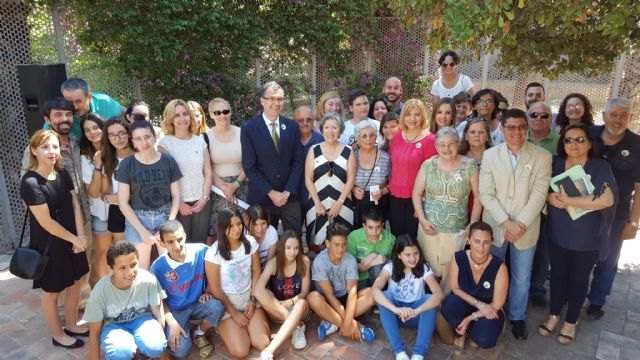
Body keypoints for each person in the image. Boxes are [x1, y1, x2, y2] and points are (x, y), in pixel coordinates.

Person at [539, 124, 616, 345]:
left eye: (580, 139)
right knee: (558, 276)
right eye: (568, 140)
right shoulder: (556, 164)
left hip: (588, 237)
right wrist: (548, 197)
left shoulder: (600, 167)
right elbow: (542, 187)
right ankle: (554, 314)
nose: (574, 144)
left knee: (579, 280)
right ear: (562, 144)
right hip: (558, 233)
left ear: (590, 143)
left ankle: (571, 321)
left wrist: (568, 200)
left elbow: (607, 200)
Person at [479, 109, 552, 340]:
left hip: (526, 229)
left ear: (527, 128)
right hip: (496, 227)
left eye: (521, 127)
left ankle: (517, 316)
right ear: (502, 128)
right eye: (511, 127)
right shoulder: (490, 156)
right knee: (492, 272)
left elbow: (539, 195)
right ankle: (492, 310)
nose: (516, 132)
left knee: (522, 277)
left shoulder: (542, 156)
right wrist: (506, 223)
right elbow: (486, 194)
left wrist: (518, 224)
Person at [21, 130, 90, 349]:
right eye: (45, 147)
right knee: (51, 292)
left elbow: (75, 204)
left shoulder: (62, 173)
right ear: (34, 150)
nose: (52, 151)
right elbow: (46, 222)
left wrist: (80, 236)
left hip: (72, 239)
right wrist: (75, 240)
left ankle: (72, 324)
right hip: (50, 245)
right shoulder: (30, 182)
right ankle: (58, 335)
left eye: (54, 146)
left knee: (76, 282)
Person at [587, 97, 640, 320]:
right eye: (613, 114)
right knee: (581, 257)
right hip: (584, 211)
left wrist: (633, 223)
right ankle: (574, 295)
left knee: (607, 260)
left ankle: (597, 301)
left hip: (617, 215)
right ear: (604, 116)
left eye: (623, 116)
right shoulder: (589, 135)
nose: (618, 120)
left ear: (629, 118)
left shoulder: (637, 144)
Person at [413, 127, 482, 281]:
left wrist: (473, 223)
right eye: (441, 144)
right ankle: (430, 300)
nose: (446, 148)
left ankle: (447, 303)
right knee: (428, 267)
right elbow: (416, 194)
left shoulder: (469, 165)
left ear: (458, 144)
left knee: (452, 270)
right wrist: (423, 221)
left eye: (451, 144)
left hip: (456, 228)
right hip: (429, 227)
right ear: (436, 146)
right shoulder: (428, 165)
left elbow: (478, 196)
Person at [151, 220, 225, 358]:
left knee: (217, 306)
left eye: (179, 239)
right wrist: (171, 323)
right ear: (162, 243)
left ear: (185, 236)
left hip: (198, 303)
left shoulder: (202, 251)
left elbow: (214, 272)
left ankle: (199, 332)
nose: (177, 246)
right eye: (170, 242)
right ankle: (175, 333)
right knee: (181, 351)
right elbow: (159, 302)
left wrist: (208, 291)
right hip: (175, 311)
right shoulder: (158, 267)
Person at [83, 241, 167, 360]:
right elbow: (94, 333)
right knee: (120, 354)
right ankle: (125, 351)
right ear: (111, 268)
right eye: (122, 268)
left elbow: (159, 313)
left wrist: (160, 346)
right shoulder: (100, 292)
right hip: (114, 325)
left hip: (142, 319)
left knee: (155, 346)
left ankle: (143, 350)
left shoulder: (149, 280)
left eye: (133, 264)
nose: (130, 272)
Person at [204, 208, 270, 359]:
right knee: (240, 351)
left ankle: (247, 325)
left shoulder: (250, 242)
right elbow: (215, 289)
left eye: (239, 224)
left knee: (262, 343)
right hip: (227, 301)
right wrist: (233, 313)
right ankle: (223, 327)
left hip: (248, 296)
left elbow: (256, 272)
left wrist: (252, 301)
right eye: (230, 226)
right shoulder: (213, 253)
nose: (236, 229)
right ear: (222, 228)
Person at [116, 120, 182, 269]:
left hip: (164, 216)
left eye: (147, 136)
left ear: (154, 136)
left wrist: (168, 225)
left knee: (169, 267)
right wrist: (142, 231)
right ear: (132, 141)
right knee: (140, 269)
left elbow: (176, 196)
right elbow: (123, 202)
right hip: (138, 218)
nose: (144, 142)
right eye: (138, 138)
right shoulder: (127, 164)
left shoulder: (168, 161)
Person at [241, 81, 305, 234]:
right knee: (263, 243)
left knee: (293, 241)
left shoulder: (291, 126)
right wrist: (271, 193)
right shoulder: (249, 128)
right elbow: (250, 167)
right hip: (262, 197)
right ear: (262, 100)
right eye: (272, 99)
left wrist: (287, 192)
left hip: (289, 198)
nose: (276, 103)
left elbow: (298, 161)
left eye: (280, 99)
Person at [372, 234, 443, 360]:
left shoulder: (424, 267)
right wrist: (395, 309)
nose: (413, 258)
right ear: (399, 255)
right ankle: (399, 352)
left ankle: (419, 353)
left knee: (429, 299)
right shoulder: (390, 267)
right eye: (408, 255)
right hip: (396, 315)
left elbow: (439, 294)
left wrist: (417, 311)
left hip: (415, 314)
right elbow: (375, 289)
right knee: (385, 295)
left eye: (416, 253)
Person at [440, 222, 508, 351]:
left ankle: (470, 329)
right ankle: (461, 333)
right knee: (449, 305)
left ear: (491, 242)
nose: (481, 248)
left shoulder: (500, 267)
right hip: (465, 303)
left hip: (488, 310)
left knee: (484, 339)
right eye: (477, 241)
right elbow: (455, 288)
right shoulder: (458, 258)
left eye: (486, 242)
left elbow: (497, 304)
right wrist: (478, 304)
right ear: (468, 240)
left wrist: (471, 317)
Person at [307, 222, 376, 343]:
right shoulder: (319, 262)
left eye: (344, 244)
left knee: (372, 294)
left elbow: (352, 293)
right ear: (327, 244)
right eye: (336, 245)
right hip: (328, 301)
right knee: (313, 298)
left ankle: (332, 323)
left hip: (347, 299)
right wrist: (352, 324)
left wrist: (348, 320)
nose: (341, 249)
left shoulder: (350, 260)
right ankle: (355, 328)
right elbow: (329, 295)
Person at [158, 99, 212, 244]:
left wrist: (204, 198)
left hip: (201, 202)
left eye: (185, 114)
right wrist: (180, 203)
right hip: (178, 203)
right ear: (170, 119)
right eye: (177, 115)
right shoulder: (165, 144)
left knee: (199, 244)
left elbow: (207, 172)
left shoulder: (200, 141)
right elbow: (165, 179)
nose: (182, 119)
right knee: (181, 244)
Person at [255, 231, 312, 359]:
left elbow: (304, 292)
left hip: (298, 307)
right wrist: (281, 308)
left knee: (302, 302)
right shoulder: (273, 263)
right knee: (264, 292)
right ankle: (296, 326)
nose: (293, 252)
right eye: (288, 248)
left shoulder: (304, 261)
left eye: (296, 248)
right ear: (282, 248)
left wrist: (290, 302)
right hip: (278, 309)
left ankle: (269, 351)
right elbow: (258, 290)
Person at [525, 102, 560, 307]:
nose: (539, 118)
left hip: (549, 203)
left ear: (551, 119)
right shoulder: (519, 136)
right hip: (521, 201)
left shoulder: (559, 142)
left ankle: (537, 289)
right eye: (534, 114)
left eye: (544, 115)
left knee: (542, 249)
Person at [305, 112, 356, 250]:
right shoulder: (313, 150)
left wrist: (339, 203)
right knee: (317, 244)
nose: (330, 131)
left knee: (342, 243)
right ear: (322, 130)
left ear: (340, 131)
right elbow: (308, 179)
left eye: (334, 127)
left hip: (343, 204)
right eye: (327, 127)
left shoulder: (348, 151)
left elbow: (351, 180)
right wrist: (317, 204)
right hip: (317, 204)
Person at [388, 99, 437, 238]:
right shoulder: (397, 135)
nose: (412, 119)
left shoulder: (429, 140)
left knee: (412, 236)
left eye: (417, 114)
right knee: (396, 234)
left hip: (416, 198)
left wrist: (423, 200)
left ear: (423, 116)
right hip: (395, 195)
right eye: (409, 114)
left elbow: (432, 173)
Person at [206, 97, 248, 244]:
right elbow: (206, 166)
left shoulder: (243, 133)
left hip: (241, 186)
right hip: (217, 189)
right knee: (219, 230)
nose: (222, 115)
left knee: (241, 229)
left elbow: (249, 162)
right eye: (217, 112)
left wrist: (235, 185)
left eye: (225, 111)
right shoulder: (205, 137)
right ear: (211, 115)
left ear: (231, 112)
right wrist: (223, 187)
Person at [79, 113, 111, 282]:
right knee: (102, 252)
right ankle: (106, 292)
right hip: (100, 212)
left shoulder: (116, 148)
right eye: (87, 130)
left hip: (122, 210)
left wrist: (102, 179)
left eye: (96, 127)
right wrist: (98, 166)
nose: (92, 132)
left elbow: (108, 188)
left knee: (124, 250)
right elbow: (94, 192)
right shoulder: (85, 158)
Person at [50, 77, 123, 139]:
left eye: (78, 101)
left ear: (89, 97)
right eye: (69, 102)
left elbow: (127, 115)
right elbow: (45, 135)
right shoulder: (58, 112)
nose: (75, 106)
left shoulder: (105, 102)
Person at [352, 120, 391, 225]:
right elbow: (344, 179)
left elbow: (393, 182)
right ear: (357, 138)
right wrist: (353, 189)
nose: (368, 139)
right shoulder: (352, 157)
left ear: (376, 136)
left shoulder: (386, 158)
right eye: (363, 136)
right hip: (357, 205)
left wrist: (383, 191)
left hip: (379, 206)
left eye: (372, 135)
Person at [101, 118, 134, 243]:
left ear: (129, 133)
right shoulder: (107, 160)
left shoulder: (140, 155)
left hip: (140, 208)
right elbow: (104, 192)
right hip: (117, 210)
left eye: (121, 133)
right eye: (112, 135)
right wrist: (109, 198)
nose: (117, 138)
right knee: (124, 253)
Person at [347, 208, 396, 289]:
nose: (374, 231)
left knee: (381, 266)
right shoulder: (353, 238)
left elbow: (396, 264)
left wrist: (383, 258)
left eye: (378, 227)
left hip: (381, 281)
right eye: (370, 227)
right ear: (364, 226)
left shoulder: (390, 239)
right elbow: (348, 268)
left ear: (382, 225)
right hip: (360, 279)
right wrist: (372, 261)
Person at [295, 105, 324, 212]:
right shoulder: (290, 139)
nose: (305, 123)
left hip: (314, 192)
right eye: (300, 120)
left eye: (308, 119)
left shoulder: (320, 140)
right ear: (295, 121)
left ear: (313, 121)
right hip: (294, 193)